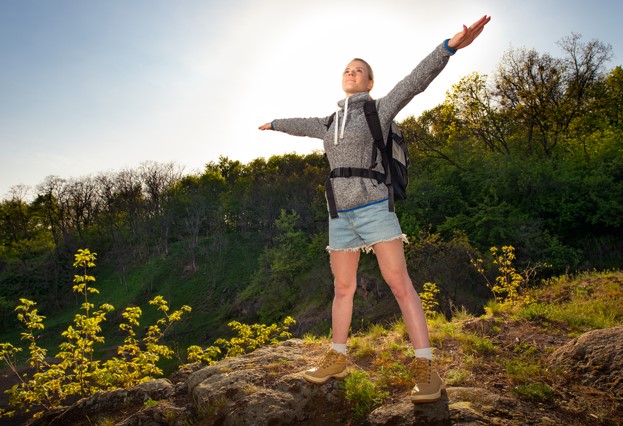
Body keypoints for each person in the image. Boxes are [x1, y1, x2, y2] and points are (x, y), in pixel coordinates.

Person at [259, 15, 491, 403]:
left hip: (374, 207)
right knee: (343, 288)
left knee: (400, 285)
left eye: (359, 71)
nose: (352, 73)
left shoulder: (378, 111)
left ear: (369, 82)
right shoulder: (328, 122)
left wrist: (448, 48)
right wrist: (276, 123)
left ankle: (425, 367)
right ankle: (337, 357)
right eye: (347, 70)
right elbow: (301, 124)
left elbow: (415, 82)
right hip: (340, 215)